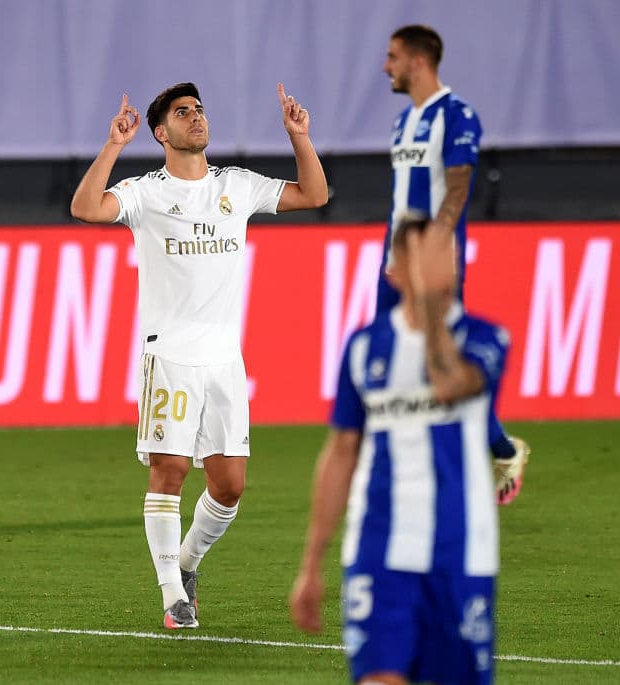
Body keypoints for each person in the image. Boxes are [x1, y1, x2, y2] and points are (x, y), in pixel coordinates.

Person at [71, 82, 328, 629]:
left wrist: (299, 137)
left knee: (230, 486)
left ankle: (186, 564)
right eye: (182, 113)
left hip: (224, 361)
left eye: (199, 110)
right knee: (168, 472)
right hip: (169, 356)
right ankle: (172, 598)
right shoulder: (145, 192)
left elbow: (314, 195)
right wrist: (114, 145)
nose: (195, 118)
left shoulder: (236, 185)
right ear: (161, 132)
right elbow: (86, 207)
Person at [290, 213, 513, 684]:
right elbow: (341, 452)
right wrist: (311, 564)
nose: (441, 266)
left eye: (447, 254)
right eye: (425, 257)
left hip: (461, 554)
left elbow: (450, 383)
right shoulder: (364, 348)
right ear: (394, 270)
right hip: (379, 549)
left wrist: (429, 305)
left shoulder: (485, 339)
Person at [377, 24, 528, 502]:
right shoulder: (403, 122)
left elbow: (459, 188)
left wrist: (434, 247)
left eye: (393, 57)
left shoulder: (458, 115)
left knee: (440, 367)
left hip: (434, 262)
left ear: (418, 61)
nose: (387, 66)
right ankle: (450, 461)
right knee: (396, 362)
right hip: (395, 260)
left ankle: (487, 454)